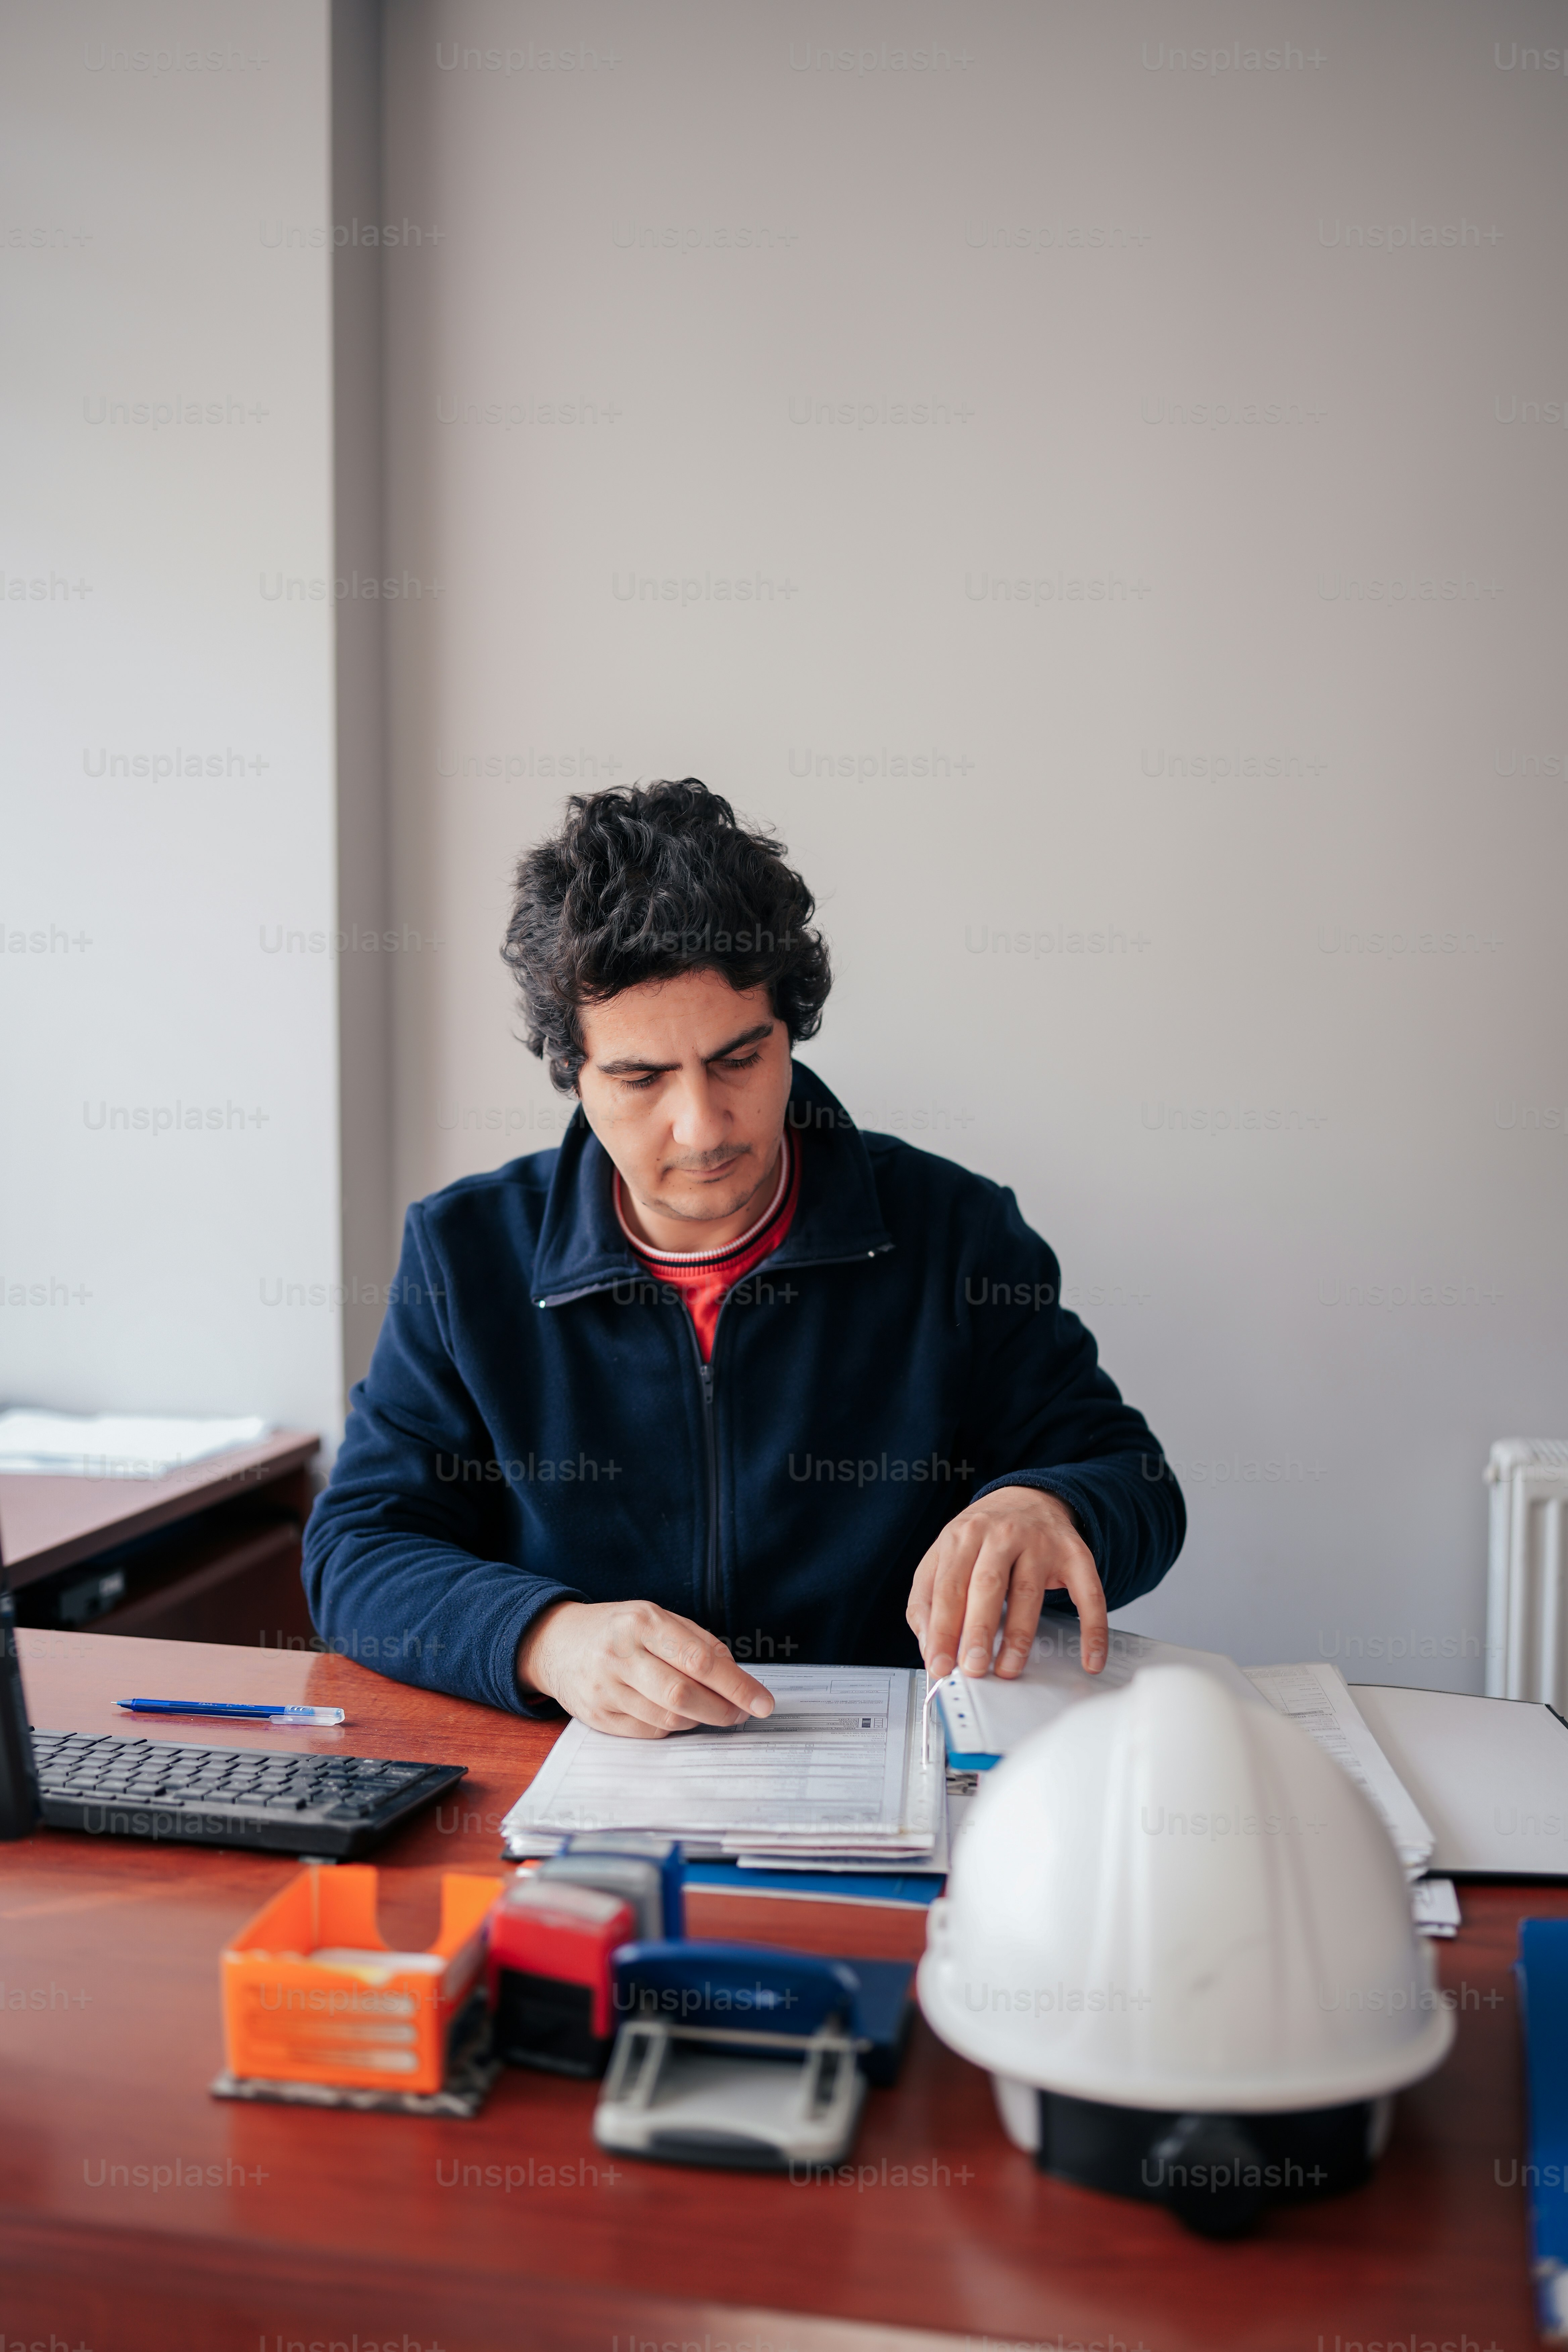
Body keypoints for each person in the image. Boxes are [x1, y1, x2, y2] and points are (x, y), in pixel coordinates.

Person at [303, 779, 1184, 1735]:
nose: (703, 1125)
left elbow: (1134, 1482)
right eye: (642, 1078)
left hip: (897, 1770)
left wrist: (1047, 1504)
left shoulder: (957, 1233)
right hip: (589, 1781)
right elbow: (357, 1552)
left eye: (738, 1059)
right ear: (573, 1073)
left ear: (789, 1030)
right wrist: (546, 1639)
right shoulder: (466, 1253)